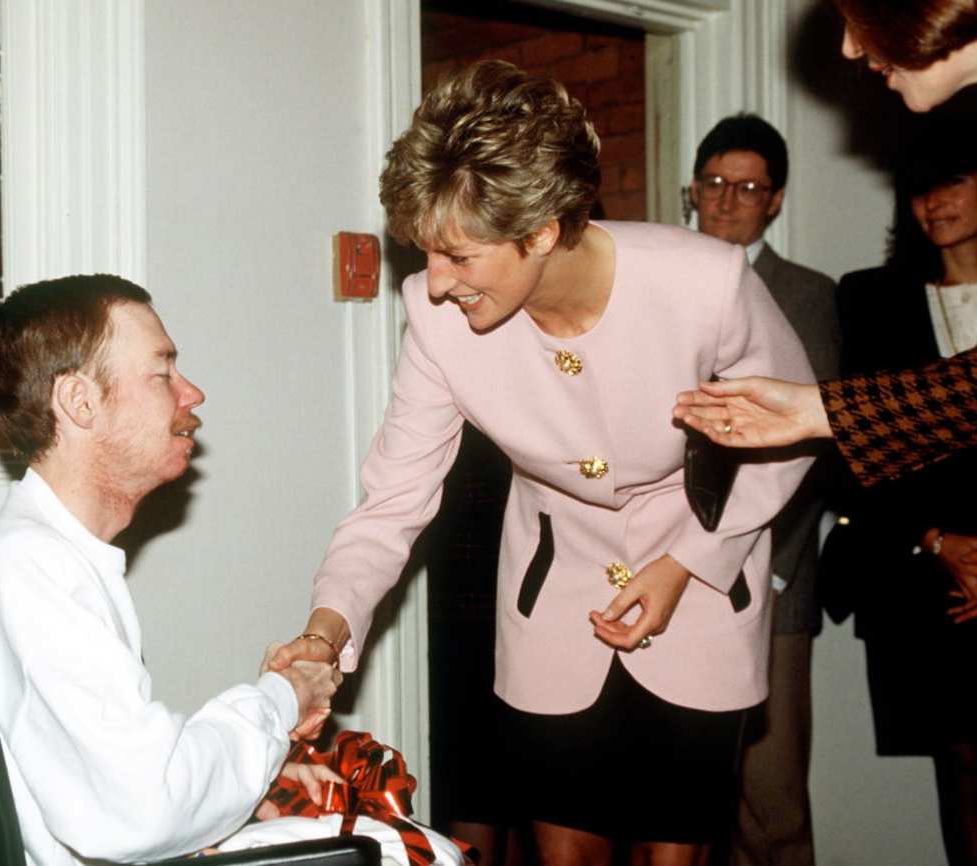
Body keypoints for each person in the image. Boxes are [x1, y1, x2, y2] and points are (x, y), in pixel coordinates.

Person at [270, 61, 815, 866]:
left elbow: (794, 430)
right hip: (552, 604)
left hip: (702, 588)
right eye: (427, 254)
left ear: (543, 230)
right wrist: (324, 631)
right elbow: (392, 502)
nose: (436, 282)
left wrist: (694, 560)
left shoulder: (705, 281)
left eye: (459, 256)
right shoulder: (434, 316)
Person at [0, 275, 342, 866]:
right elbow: (144, 810)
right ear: (80, 402)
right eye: (163, 373)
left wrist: (244, 791)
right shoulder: (30, 570)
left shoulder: (35, 559)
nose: (193, 393)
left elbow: (108, 784)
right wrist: (282, 697)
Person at [671, 0, 977, 483]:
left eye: (860, 16)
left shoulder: (809, 292)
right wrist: (816, 411)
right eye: (713, 184)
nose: (849, 46)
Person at [690, 114, 839, 866]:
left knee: (771, 801)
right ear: (692, 189)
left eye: (747, 188)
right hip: (669, 575)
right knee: (685, 807)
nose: (727, 201)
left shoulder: (806, 293)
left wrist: (771, 561)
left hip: (770, 578)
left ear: (774, 201)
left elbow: (817, 443)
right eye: (714, 184)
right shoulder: (661, 278)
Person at [829, 134, 977, 866]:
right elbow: (852, 451)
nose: (935, 203)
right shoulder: (872, 297)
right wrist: (940, 543)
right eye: (921, 188)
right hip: (922, 571)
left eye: (952, 180)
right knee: (962, 763)